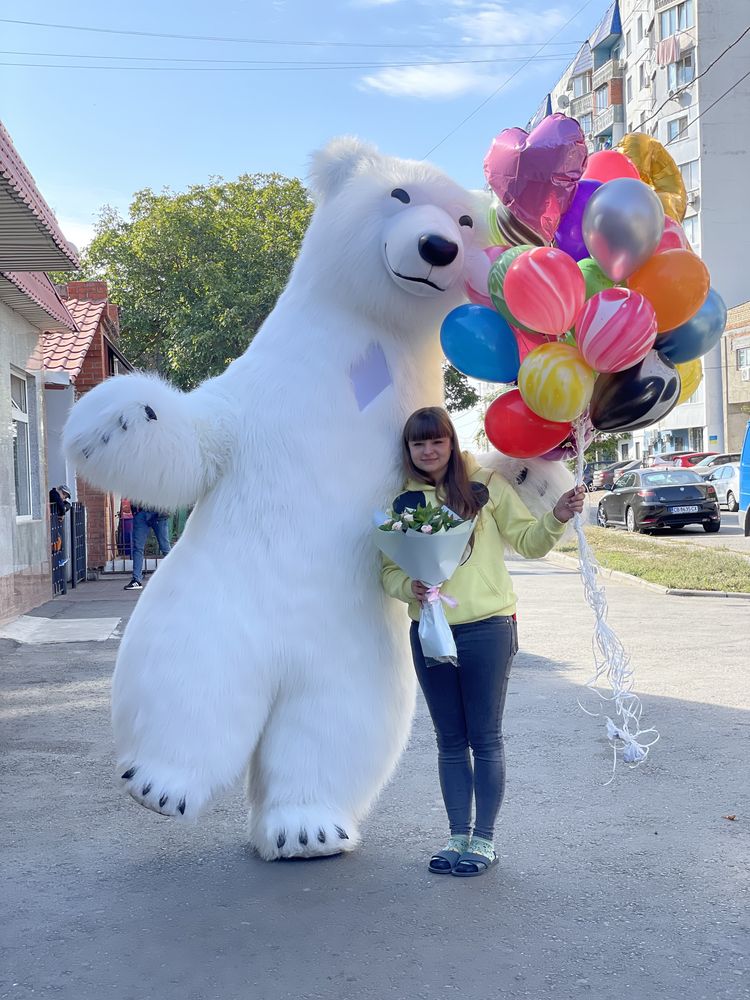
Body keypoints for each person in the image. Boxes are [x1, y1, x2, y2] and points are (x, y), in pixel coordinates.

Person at [381, 407, 584, 878]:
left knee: (484, 738)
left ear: (451, 443)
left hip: (488, 628)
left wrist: (555, 515)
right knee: (449, 740)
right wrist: (406, 587)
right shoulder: (403, 504)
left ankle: (484, 841)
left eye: (436, 441)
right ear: (408, 450)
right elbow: (388, 570)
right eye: (418, 443)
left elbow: (529, 543)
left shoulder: (487, 486)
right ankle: (456, 836)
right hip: (430, 630)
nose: (428, 451)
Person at [124, 505, 172, 591]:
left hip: (158, 512)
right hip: (141, 512)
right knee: (138, 547)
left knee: (165, 547)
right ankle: (136, 579)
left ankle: (177, 576)